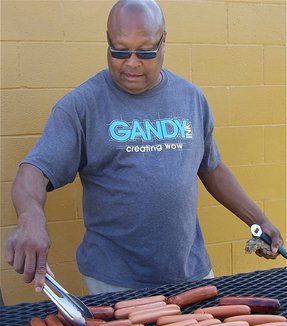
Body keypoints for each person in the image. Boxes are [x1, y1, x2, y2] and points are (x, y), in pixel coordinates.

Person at [5, 0, 283, 295]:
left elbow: (211, 168)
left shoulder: (191, 98)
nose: (132, 63)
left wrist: (258, 219)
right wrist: (30, 217)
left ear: (164, 41)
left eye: (146, 51)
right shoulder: (82, 106)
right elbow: (33, 171)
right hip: (115, 282)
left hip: (192, 273)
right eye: (120, 51)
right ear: (108, 41)